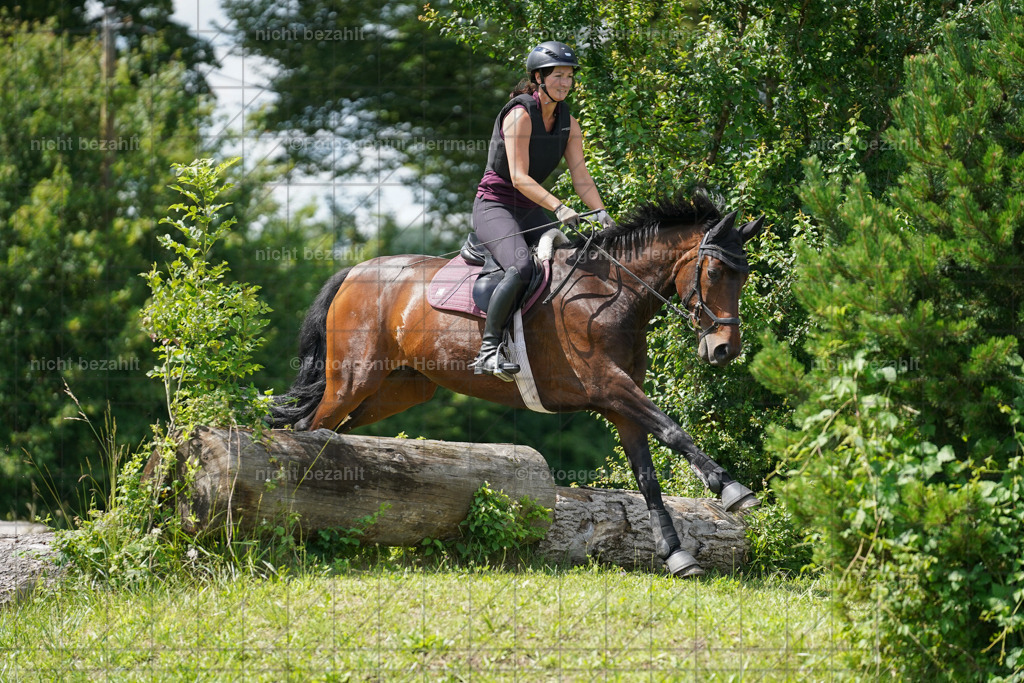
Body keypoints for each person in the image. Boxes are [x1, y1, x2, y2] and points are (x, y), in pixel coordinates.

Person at [470, 40, 616, 381]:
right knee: (521, 266)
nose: (565, 83)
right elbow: (519, 177)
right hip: (496, 205)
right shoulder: (519, 114)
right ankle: (489, 351)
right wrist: (559, 206)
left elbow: (581, 178)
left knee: (568, 261)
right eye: (557, 76)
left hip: (529, 210)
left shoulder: (570, 124)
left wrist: (601, 214)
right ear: (538, 77)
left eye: (569, 76)